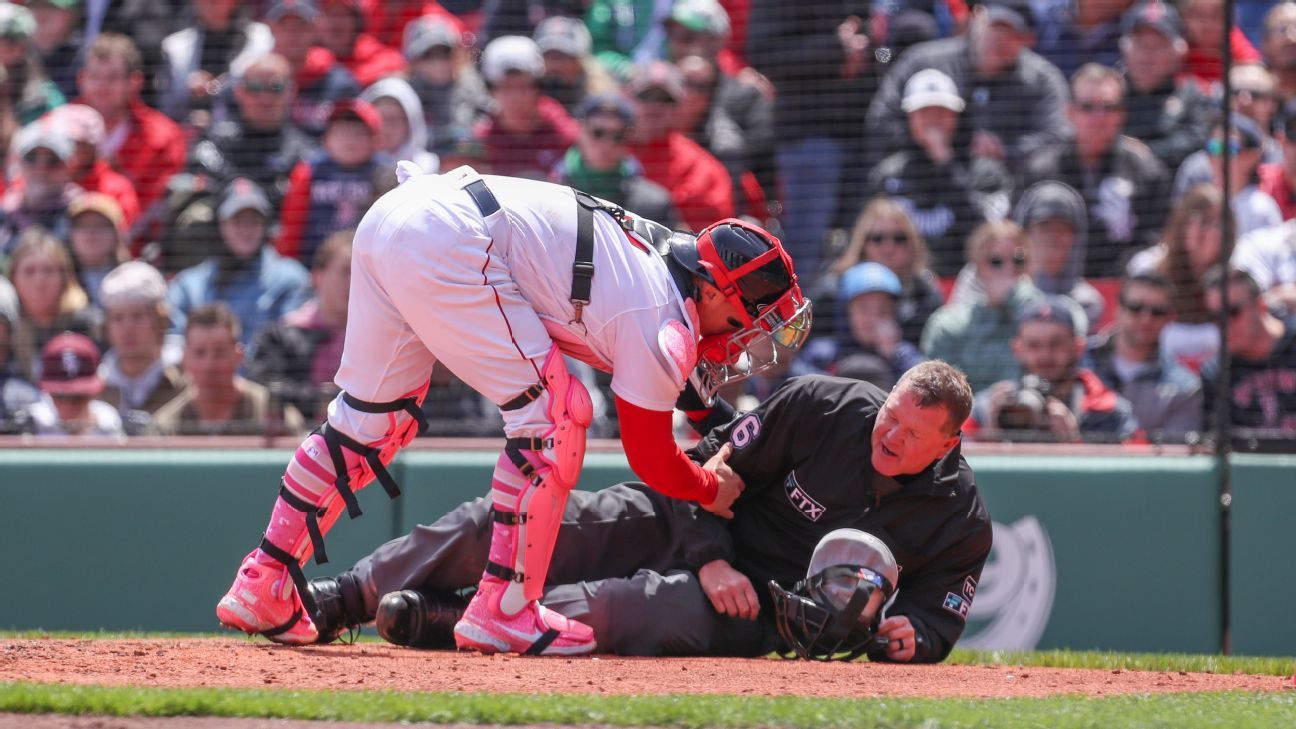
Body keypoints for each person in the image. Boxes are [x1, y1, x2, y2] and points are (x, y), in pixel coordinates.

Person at [215, 163, 810, 656]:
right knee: (555, 417)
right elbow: (650, 456)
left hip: (404, 214)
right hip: (451, 237)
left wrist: (719, 431)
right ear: (711, 289)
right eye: (750, 317)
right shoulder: (661, 317)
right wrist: (708, 487)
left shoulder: (664, 266)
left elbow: (682, 388)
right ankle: (506, 608)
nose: (751, 337)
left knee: (368, 421)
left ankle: (263, 579)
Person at [302, 361, 990, 663]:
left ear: (950, 441)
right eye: (890, 414)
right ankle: (344, 597)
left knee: (632, 607)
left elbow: (937, 610)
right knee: (510, 522)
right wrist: (712, 555)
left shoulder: (960, 518)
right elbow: (704, 462)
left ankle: (450, 623)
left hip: (761, 605)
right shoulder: (828, 405)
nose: (888, 435)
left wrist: (918, 635)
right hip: (689, 521)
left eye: (909, 433)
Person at [747, 0, 879, 283]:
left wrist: (864, 43)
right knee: (804, 256)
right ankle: (796, 324)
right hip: (807, 137)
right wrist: (835, 48)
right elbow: (764, 54)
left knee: (862, 246)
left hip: (865, 132)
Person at [866, 0, 1068, 170]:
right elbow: (880, 119)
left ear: (1027, 40)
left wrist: (1007, 150)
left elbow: (1058, 136)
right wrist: (932, 141)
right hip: (923, 177)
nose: (997, 40)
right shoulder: (924, 61)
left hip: (1006, 187)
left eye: (1009, 33)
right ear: (976, 19)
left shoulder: (1041, 79)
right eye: (993, 27)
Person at [1022, 63, 1171, 278]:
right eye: (1088, 107)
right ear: (1070, 113)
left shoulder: (1146, 170)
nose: (1099, 117)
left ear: (1122, 114)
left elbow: (1155, 239)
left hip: (1125, 289)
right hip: (1051, 286)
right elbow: (1020, 236)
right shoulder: (1040, 169)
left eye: (1109, 107)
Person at [868, 67, 1013, 277]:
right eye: (924, 112)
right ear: (909, 118)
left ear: (956, 117)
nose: (932, 121)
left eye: (941, 112)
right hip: (901, 287)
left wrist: (946, 164)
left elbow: (989, 233)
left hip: (967, 285)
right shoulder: (888, 174)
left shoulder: (987, 173)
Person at [967, 296, 1138, 443]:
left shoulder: (1110, 412)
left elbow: (1130, 476)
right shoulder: (988, 407)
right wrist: (988, 439)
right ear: (1017, 349)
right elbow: (953, 466)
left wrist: (1074, 443)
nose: (1045, 355)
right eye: (1034, 345)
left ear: (1078, 347)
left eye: (1056, 344)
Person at [169, 177, 311, 348]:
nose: (246, 230)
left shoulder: (290, 279)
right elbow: (174, 346)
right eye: (237, 221)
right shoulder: (188, 286)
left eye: (254, 221)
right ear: (220, 225)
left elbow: (291, 349)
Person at [922, 220, 1049, 391]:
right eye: (996, 262)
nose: (1009, 269)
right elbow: (942, 391)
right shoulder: (949, 324)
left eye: (1018, 260)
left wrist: (1018, 295)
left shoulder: (1042, 316)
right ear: (977, 268)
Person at [74, 33, 186, 226]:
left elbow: (155, 209)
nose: (102, 86)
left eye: (112, 77)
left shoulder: (163, 137)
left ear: (135, 81)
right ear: (81, 79)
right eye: (94, 76)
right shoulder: (57, 129)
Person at [149, 301, 303, 437]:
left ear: (239, 355)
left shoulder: (276, 418)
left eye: (220, 352)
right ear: (184, 358)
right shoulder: (165, 428)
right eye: (199, 353)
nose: (210, 364)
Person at [245, 229, 352, 423]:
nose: (353, 282)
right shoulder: (279, 337)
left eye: (361, 273)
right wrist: (323, 398)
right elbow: (263, 387)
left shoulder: (384, 340)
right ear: (317, 276)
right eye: (345, 271)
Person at [1084, 272, 1203, 441]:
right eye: (1136, 308)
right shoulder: (1079, 360)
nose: (1146, 318)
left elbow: (1175, 458)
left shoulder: (1184, 387)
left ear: (1171, 318)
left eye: (1157, 312)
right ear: (1118, 309)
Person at [1127, 184, 1226, 375]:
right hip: (1152, 375)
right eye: (1202, 222)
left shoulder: (1233, 276)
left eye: (1218, 224)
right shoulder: (1148, 265)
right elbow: (1133, 329)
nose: (1210, 232)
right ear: (1182, 223)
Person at [625, 61, 735, 232]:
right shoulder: (608, 148)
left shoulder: (702, 168)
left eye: (665, 99)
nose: (654, 107)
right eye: (645, 97)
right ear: (628, 99)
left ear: (679, 107)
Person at [275, 99, 384, 265]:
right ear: (326, 138)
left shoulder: (384, 173)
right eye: (342, 133)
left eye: (358, 134)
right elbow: (292, 226)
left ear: (374, 140)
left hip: (370, 265)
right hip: (314, 266)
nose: (350, 141)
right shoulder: (309, 171)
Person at [824, 199, 944, 348]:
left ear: (912, 244)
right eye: (878, 238)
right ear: (862, 243)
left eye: (899, 238)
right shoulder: (834, 289)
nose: (889, 248)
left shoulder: (924, 293)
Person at [549, 92, 679, 229]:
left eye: (618, 136)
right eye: (598, 133)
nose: (608, 143)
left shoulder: (653, 205)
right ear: (580, 131)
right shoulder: (552, 194)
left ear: (629, 137)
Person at [1201, 266, 1296, 445]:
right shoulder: (1217, 373)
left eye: (1232, 312)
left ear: (1260, 306)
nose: (1224, 324)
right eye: (1215, 316)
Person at [803, 262, 926, 391]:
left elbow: (919, 391)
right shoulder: (823, 354)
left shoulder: (904, 355)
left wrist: (891, 358)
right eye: (863, 308)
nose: (873, 318)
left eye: (883, 309)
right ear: (846, 312)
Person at [1117, 0, 1210, 172]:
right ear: (1125, 49)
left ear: (1178, 53)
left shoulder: (1191, 94)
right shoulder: (1111, 92)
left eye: (1158, 46)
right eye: (1140, 44)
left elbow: (1200, 139)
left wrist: (1147, 151)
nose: (1147, 55)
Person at [97, 260, 186, 435]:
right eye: (118, 318)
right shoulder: (96, 385)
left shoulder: (187, 379)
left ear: (160, 321)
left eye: (138, 316)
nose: (127, 327)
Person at [472, 35, 578, 181]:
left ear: (538, 87)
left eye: (523, 87)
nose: (515, 97)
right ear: (491, 90)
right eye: (506, 88)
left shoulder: (564, 132)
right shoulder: (483, 139)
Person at [157, 0, 274, 127]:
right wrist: (187, 92)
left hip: (246, 134)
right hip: (191, 135)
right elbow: (165, 109)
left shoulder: (262, 39)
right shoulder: (175, 47)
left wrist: (220, 86)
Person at [6, 226, 101, 382]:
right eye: (29, 271)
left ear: (65, 277)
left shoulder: (88, 325)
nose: (39, 281)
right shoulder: (6, 330)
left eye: (48, 270)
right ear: (13, 278)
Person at [1012, 181, 1105, 329]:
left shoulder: (1087, 303)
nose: (1053, 236)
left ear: (1076, 237)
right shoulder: (1003, 291)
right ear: (1026, 233)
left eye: (1062, 227)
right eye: (1045, 226)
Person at [264, 0, 362, 138]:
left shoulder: (340, 85)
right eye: (284, 25)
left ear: (315, 28)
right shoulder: (257, 81)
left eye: (300, 26)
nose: (292, 34)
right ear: (271, 28)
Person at [24, 330, 123, 437]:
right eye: (60, 397)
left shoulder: (108, 423)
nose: (68, 406)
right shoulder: (33, 422)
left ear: (94, 393)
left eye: (78, 397)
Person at [359, 77, 436, 173]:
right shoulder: (352, 166)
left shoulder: (429, 168)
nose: (385, 128)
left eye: (393, 120)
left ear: (410, 123)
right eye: (378, 119)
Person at [66, 193, 129, 307]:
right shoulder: (59, 279)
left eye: (100, 225)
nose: (91, 233)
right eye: (82, 226)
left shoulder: (132, 277)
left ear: (117, 234)